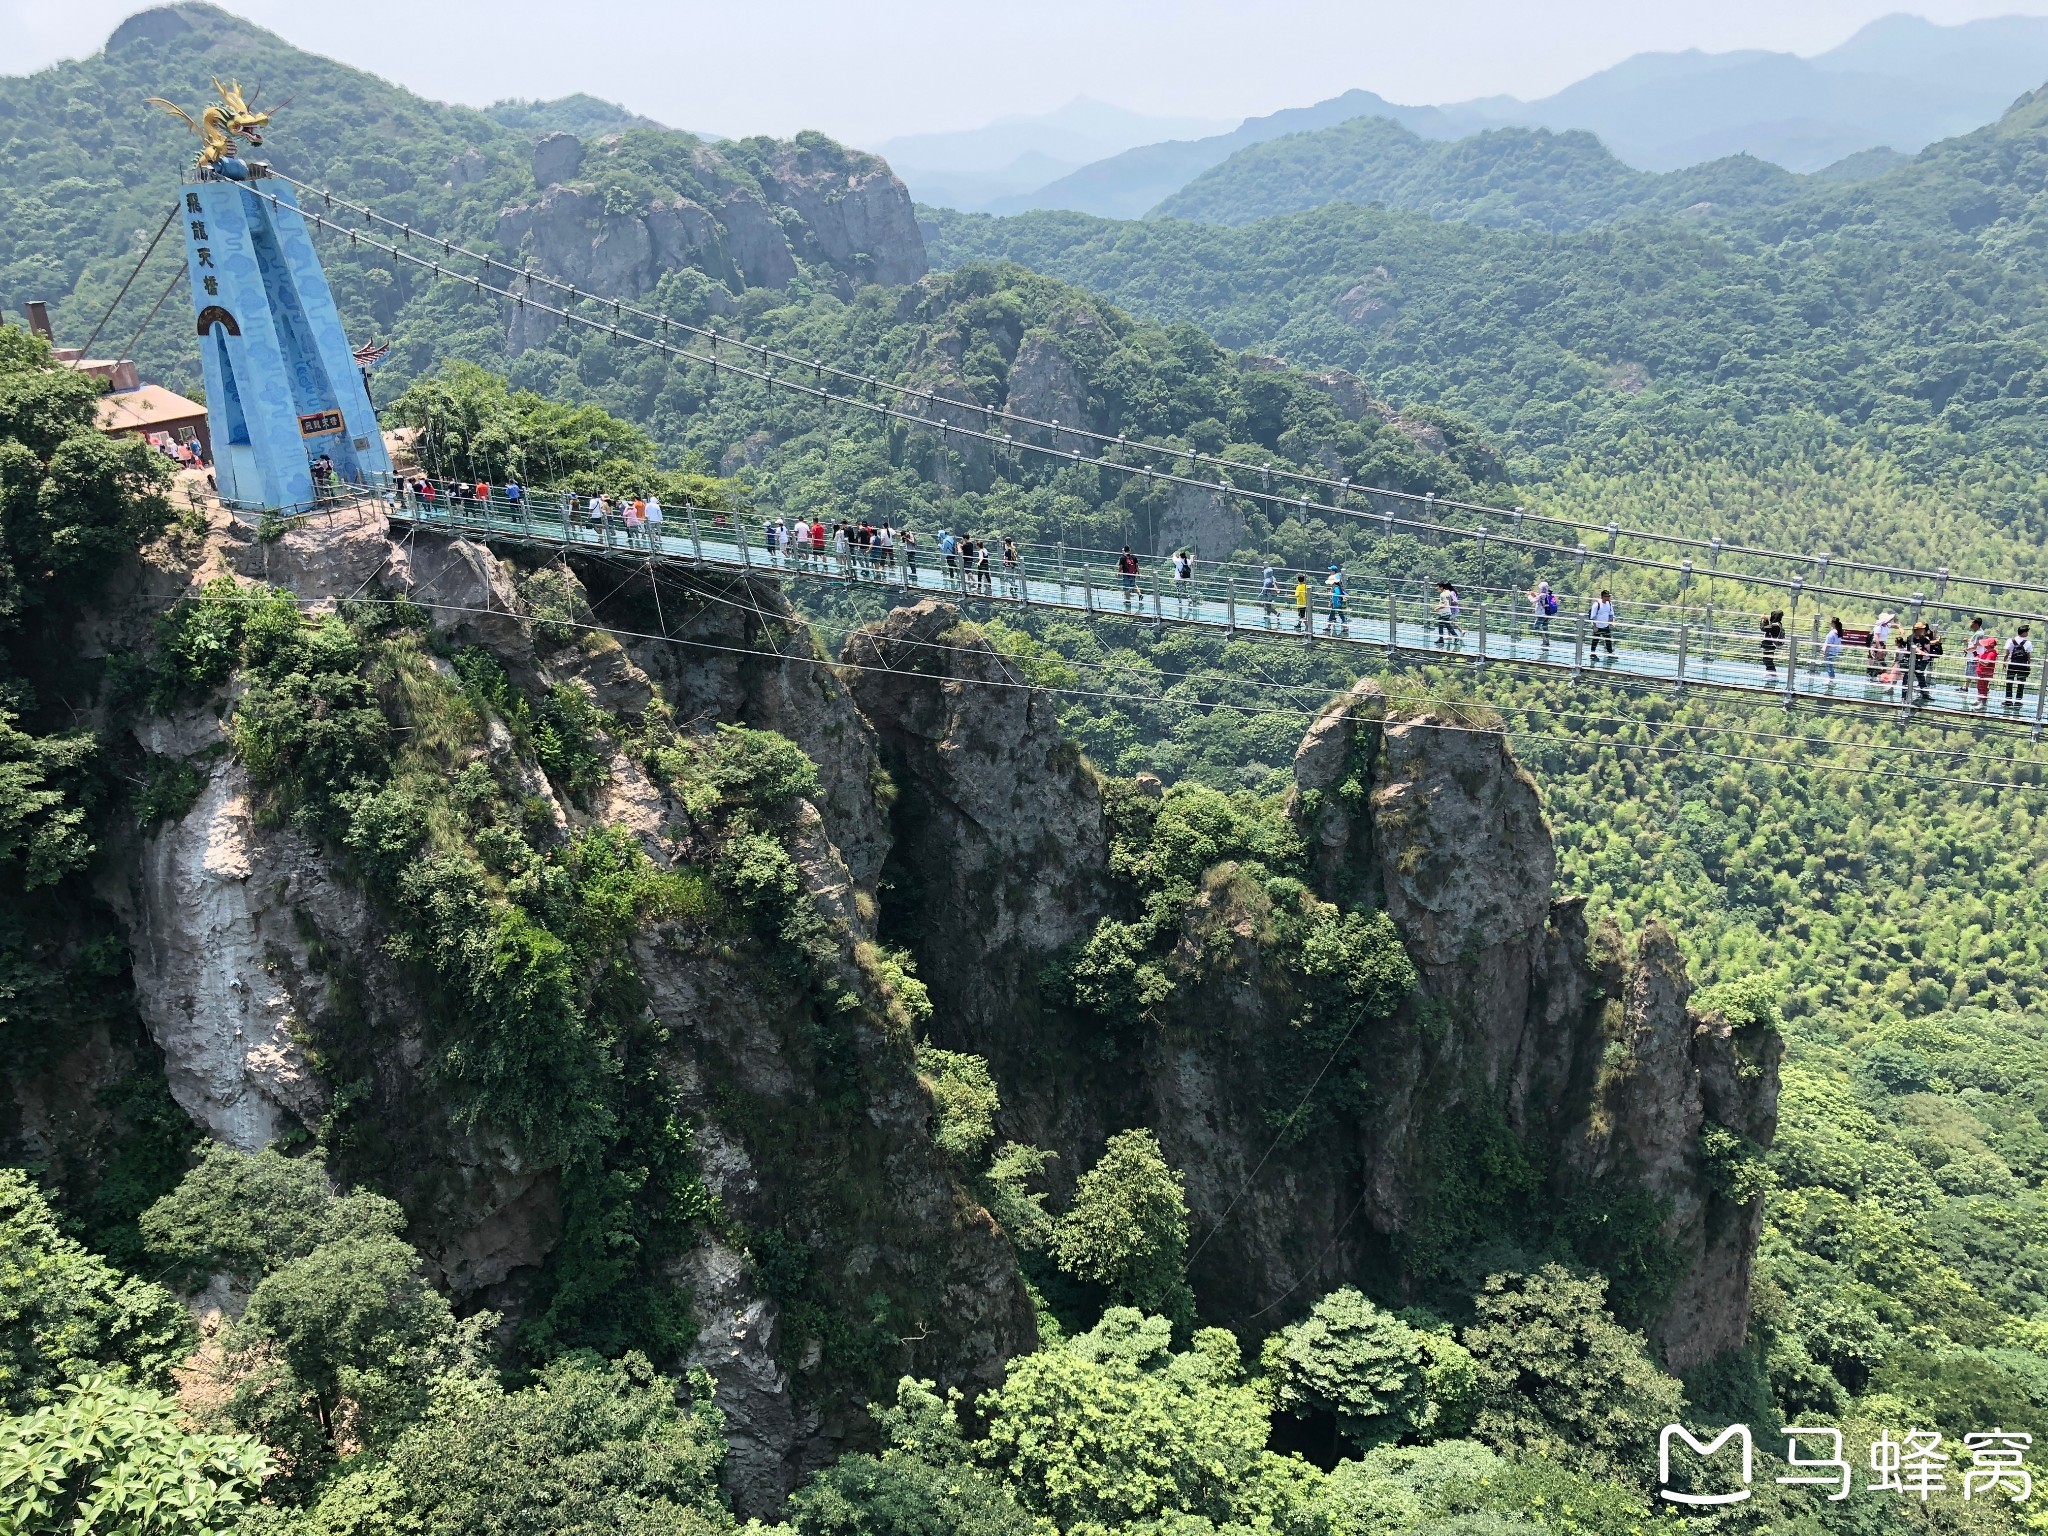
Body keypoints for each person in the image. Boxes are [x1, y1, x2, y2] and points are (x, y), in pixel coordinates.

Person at [2005, 624, 2034, 708]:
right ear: (2024, 633)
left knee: (2009, 682)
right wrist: (2029, 665)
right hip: (2022, 665)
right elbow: (2028, 656)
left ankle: (2008, 700)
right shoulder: (2028, 642)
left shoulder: (2010, 640)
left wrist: (2004, 662)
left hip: (2012, 664)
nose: (2027, 634)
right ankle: (2018, 701)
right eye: (2027, 632)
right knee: (2021, 683)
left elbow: (2007, 653)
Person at [1973, 626, 2000, 708]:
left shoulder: (1991, 653)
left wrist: (1978, 659)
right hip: (1982, 672)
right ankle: (1979, 699)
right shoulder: (1987, 652)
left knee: (1984, 687)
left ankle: (1983, 703)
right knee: (1980, 686)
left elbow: (1986, 663)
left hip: (1985, 673)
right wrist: (1977, 656)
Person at [1529, 581, 1558, 645]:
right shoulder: (1549, 594)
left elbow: (1533, 601)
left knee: (1536, 627)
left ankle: (1544, 639)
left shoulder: (1541, 595)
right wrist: (1535, 595)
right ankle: (1547, 641)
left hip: (1541, 615)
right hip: (1547, 614)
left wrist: (1529, 596)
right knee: (1545, 627)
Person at [1589, 590, 1616, 657]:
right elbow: (1593, 616)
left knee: (1608, 640)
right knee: (1595, 640)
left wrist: (1612, 621)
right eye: (1606, 596)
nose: (1608, 597)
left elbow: (1611, 614)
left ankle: (1610, 653)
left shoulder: (1609, 603)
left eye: (1608, 596)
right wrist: (1594, 626)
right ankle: (1592, 653)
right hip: (1598, 625)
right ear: (1602, 597)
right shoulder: (1597, 604)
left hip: (1605, 625)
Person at [1759, 609, 1785, 679]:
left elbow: (1763, 628)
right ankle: (1770, 673)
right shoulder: (1778, 624)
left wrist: (1762, 620)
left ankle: (1772, 674)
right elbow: (1768, 628)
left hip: (1770, 645)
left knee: (1767, 660)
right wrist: (1766, 621)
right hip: (1771, 644)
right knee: (1768, 659)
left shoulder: (1774, 626)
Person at [1435, 582, 1462, 646]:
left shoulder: (1442, 594)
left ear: (1441, 587)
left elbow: (1445, 604)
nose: (1437, 588)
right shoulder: (1448, 592)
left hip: (1444, 612)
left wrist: (1437, 608)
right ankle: (1453, 637)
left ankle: (1443, 639)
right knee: (1446, 625)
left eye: (1438, 587)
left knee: (1443, 625)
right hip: (1448, 612)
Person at [1822, 617, 1844, 688]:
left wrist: (1825, 652)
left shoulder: (1832, 633)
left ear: (1833, 623)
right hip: (1834, 651)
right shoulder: (1838, 632)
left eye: (1831, 622)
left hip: (1830, 651)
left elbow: (1829, 644)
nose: (1830, 623)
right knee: (1830, 665)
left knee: (1829, 666)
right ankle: (1831, 679)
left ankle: (1831, 680)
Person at [1325, 567, 1347, 635]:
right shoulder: (1335, 586)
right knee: (1334, 615)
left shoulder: (1336, 587)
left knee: (1341, 615)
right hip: (1335, 603)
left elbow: (1337, 594)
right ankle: (1329, 626)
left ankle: (1345, 627)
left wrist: (1332, 593)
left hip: (1337, 603)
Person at [1119, 546, 1139, 611]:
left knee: (1126, 589)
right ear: (1130, 550)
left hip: (1126, 575)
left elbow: (1121, 567)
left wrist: (1118, 573)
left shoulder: (1122, 558)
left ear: (1124, 551)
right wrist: (1139, 573)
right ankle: (1140, 594)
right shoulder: (1134, 557)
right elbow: (1137, 566)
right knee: (1134, 585)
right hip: (1133, 574)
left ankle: (1128, 604)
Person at [1173, 549, 1193, 614]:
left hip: (1179, 578)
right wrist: (1192, 557)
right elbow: (1191, 561)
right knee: (1185, 588)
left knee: (1179, 590)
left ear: (1180, 556)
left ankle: (1180, 603)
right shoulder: (1187, 561)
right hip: (1185, 578)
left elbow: (1173, 558)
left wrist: (1174, 554)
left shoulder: (1178, 561)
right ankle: (1189, 599)